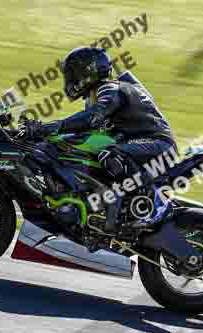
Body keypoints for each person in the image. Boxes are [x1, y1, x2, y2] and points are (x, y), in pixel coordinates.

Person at [22, 46, 177, 233]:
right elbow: (84, 128)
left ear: (87, 73)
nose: (69, 78)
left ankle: (150, 206)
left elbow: (92, 118)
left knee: (110, 153)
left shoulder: (109, 88)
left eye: (72, 73)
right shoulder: (94, 97)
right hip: (136, 144)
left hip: (158, 143)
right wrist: (42, 133)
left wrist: (51, 126)